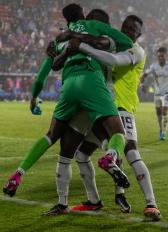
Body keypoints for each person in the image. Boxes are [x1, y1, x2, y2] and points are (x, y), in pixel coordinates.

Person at [3, 5, 133, 216]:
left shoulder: (58, 40)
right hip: (94, 88)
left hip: (69, 88)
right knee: (117, 135)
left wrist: (34, 98)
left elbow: (43, 75)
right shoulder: (95, 28)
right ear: (83, 13)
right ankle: (113, 168)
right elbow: (127, 43)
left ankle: (23, 175)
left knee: (56, 141)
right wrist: (96, 38)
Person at [65, 15, 161, 221]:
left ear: (139, 34)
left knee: (131, 153)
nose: (127, 31)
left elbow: (114, 61)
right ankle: (96, 200)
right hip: (103, 108)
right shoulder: (112, 45)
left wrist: (82, 45)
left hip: (123, 107)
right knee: (83, 155)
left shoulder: (136, 50)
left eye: (132, 29)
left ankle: (151, 204)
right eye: (125, 27)